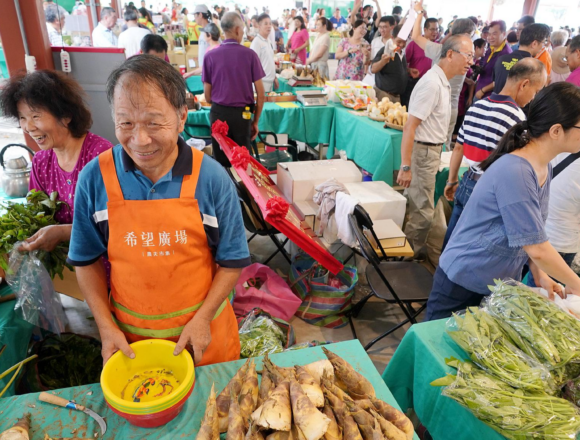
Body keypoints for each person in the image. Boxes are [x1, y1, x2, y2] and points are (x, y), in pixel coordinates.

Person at [67, 55, 249, 366]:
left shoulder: (212, 178)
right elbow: (86, 261)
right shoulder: (95, 178)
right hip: (133, 346)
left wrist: (203, 318)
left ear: (182, 117)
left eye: (153, 122)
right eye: (125, 123)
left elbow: (231, 261)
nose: (140, 140)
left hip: (204, 340)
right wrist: (105, 326)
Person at [426, 82, 580, 321]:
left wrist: (540, 275)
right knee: (437, 350)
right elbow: (538, 248)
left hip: (494, 283)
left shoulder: (543, 165)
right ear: (556, 131)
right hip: (464, 279)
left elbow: (530, 233)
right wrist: (576, 284)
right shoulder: (516, 170)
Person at [0, 70, 112, 254]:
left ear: (65, 115)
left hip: (104, 262)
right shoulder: (41, 161)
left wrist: (63, 232)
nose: (28, 127)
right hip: (66, 267)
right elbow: (37, 213)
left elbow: (116, 222)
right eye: (22, 118)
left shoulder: (100, 155)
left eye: (36, 116)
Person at [443, 58, 547, 249]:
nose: (533, 98)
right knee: (472, 245)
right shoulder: (517, 118)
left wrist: (451, 181)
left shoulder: (477, 106)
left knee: (452, 238)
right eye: (536, 91)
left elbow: (458, 148)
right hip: (488, 191)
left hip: (466, 182)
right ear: (524, 84)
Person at [396, 34, 473, 259]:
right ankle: (404, 263)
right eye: (467, 55)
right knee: (423, 213)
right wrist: (406, 166)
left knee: (420, 208)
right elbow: (410, 126)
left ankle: (407, 255)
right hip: (423, 153)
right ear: (450, 54)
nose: (470, 61)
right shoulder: (432, 83)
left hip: (432, 151)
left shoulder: (442, 81)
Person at [203, 12, 265, 167]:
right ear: (238, 30)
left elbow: (208, 96)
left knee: (221, 161)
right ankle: (242, 191)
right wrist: (255, 121)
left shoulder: (210, 56)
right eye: (243, 31)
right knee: (242, 162)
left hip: (218, 115)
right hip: (242, 117)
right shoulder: (250, 55)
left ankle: (222, 190)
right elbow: (261, 94)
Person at [411, 3, 476, 148]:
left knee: (426, 143)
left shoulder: (440, 49)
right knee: (443, 146)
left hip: (434, 106)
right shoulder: (464, 56)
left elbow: (415, 36)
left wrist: (419, 13)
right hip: (450, 107)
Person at [493, 24, 550, 93]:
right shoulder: (536, 68)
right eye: (543, 42)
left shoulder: (501, 59)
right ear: (534, 43)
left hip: (495, 102)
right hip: (515, 104)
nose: (543, 46)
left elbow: (495, 83)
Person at [403, 17, 438, 106]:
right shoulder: (414, 44)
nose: (435, 32)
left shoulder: (437, 46)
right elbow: (403, 64)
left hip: (430, 84)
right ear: (425, 30)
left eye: (437, 29)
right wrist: (409, 70)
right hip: (414, 82)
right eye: (432, 29)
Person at [474, 20, 511, 100]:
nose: (490, 37)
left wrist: (482, 91)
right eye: (489, 34)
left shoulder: (506, 54)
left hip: (488, 95)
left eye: (494, 34)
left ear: (504, 34)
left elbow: (501, 79)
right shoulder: (491, 47)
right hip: (479, 88)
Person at [371, 24, 408, 103]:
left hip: (397, 96)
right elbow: (373, 69)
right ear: (392, 38)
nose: (401, 44)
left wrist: (409, 70)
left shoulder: (402, 53)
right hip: (384, 95)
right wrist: (383, 61)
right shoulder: (385, 50)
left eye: (404, 42)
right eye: (399, 41)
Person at [250, 14, 277, 92]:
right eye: (266, 24)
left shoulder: (268, 41)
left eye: (270, 23)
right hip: (261, 83)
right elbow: (253, 65)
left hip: (270, 82)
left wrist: (274, 77)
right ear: (259, 26)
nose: (269, 26)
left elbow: (270, 61)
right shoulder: (256, 42)